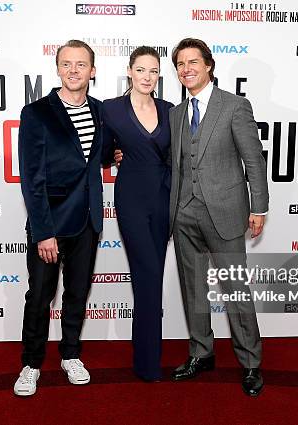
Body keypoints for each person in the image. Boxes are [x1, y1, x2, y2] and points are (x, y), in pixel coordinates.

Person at [168, 38, 269, 396]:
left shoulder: (235, 106)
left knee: (235, 289)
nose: (186, 69)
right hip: (183, 214)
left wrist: (259, 206)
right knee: (193, 288)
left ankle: (251, 362)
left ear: (208, 65)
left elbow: (253, 160)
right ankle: (201, 352)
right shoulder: (176, 113)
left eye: (193, 61)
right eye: (180, 63)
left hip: (225, 212)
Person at [14, 39, 103, 396]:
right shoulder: (36, 113)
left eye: (81, 65)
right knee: (39, 296)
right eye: (66, 64)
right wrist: (43, 231)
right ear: (57, 69)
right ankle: (31, 363)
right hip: (49, 223)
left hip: (87, 221)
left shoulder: (100, 111)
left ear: (92, 71)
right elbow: (31, 177)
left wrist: (117, 154)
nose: (73, 71)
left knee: (77, 294)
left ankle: (70, 355)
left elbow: (93, 157)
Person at [102, 46, 173, 381]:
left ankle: (146, 355)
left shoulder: (170, 110)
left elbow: (177, 158)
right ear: (129, 71)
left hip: (163, 200)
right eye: (142, 70)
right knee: (146, 274)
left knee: (153, 276)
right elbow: (102, 153)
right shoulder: (111, 109)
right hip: (130, 197)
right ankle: (148, 363)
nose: (148, 77)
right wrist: (115, 155)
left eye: (154, 71)